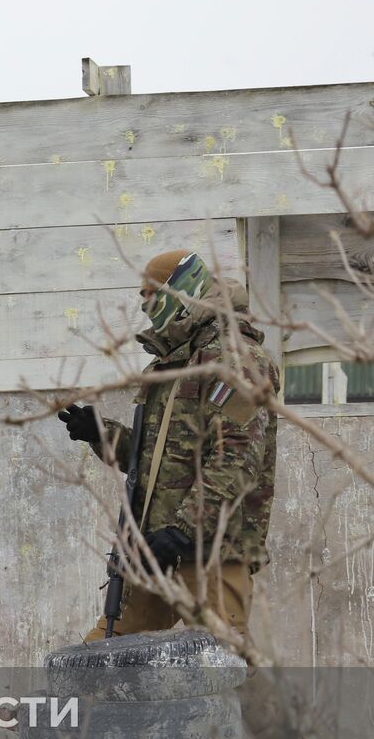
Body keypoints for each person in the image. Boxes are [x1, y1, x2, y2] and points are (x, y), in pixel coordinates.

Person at [57, 250, 278, 642]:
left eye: (150, 294)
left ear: (182, 290)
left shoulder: (236, 359)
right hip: (156, 547)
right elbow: (155, 462)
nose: (144, 305)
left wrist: (181, 530)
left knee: (220, 660)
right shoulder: (172, 364)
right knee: (109, 651)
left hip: (212, 551)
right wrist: (101, 434)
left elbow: (237, 459)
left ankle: (266, 708)